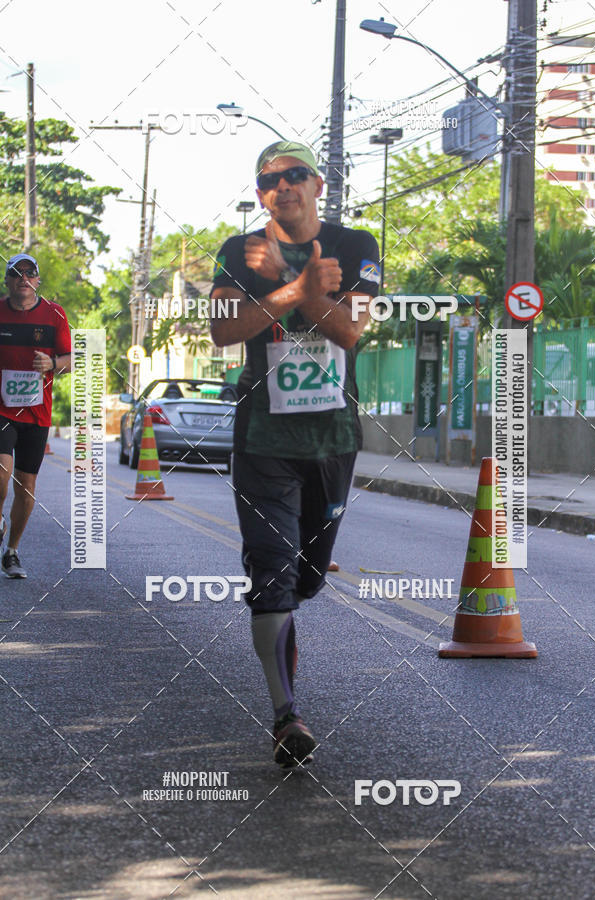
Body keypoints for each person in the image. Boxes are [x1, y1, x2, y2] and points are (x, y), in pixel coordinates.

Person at [210, 140, 380, 768]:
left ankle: (288, 635)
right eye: (270, 179)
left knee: (306, 576)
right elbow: (224, 331)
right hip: (262, 438)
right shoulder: (238, 252)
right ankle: (286, 715)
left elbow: (351, 331)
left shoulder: (357, 246)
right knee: (273, 571)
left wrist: (303, 287)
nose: (284, 186)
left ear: (317, 185)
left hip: (332, 437)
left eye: (296, 175)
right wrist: (293, 289)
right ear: (261, 194)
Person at [0, 253, 71, 578]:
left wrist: (53, 364)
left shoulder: (54, 314)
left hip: (36, 411)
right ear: (8, 281)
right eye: (16, 273)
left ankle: (12, 550)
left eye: (30, 273)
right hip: (1, 408)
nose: (23, 279)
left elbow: (70, 358)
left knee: (25, 486)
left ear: (38, 280)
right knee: (2, 471)